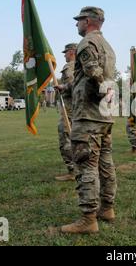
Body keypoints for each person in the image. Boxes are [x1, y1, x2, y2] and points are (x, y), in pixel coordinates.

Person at [56, 6, 117, 234]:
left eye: (79, 20)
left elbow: (93, 71)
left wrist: (104, 91)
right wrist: (66, 87)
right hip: (103, 116)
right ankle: (107, 208)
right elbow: (87, 77)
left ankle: (88, 219)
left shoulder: (86, 42)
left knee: (86, 165)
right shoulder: (108, 47)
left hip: (88, 115)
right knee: (105, 163)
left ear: (89, 21)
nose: (76, 24)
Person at [55, 43, 78, 182]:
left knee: (65, 139)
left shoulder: (70, 67)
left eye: (66, 52)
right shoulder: (82, 66)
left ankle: (73, 171)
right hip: (79, 109)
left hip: (69, 109)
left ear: (71, 52)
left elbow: (71, 86)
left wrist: (62, 87)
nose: (64, 55)